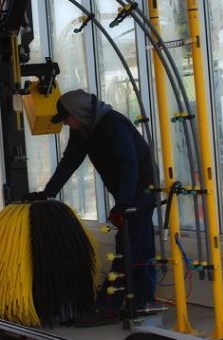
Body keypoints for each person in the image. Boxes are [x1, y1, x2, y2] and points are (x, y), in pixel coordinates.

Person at [27, 89, 156, 326]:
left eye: (67, 118)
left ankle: (107, 307)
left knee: (127, 244)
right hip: (125, 190)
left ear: (79, 113)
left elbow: (130, 165)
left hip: (142, 187)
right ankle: (144, 300)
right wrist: (47, 193)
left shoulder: (113, 125)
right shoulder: (83, 131)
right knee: (141, 244)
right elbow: (69, 164)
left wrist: (124, 204)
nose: (66, 124)